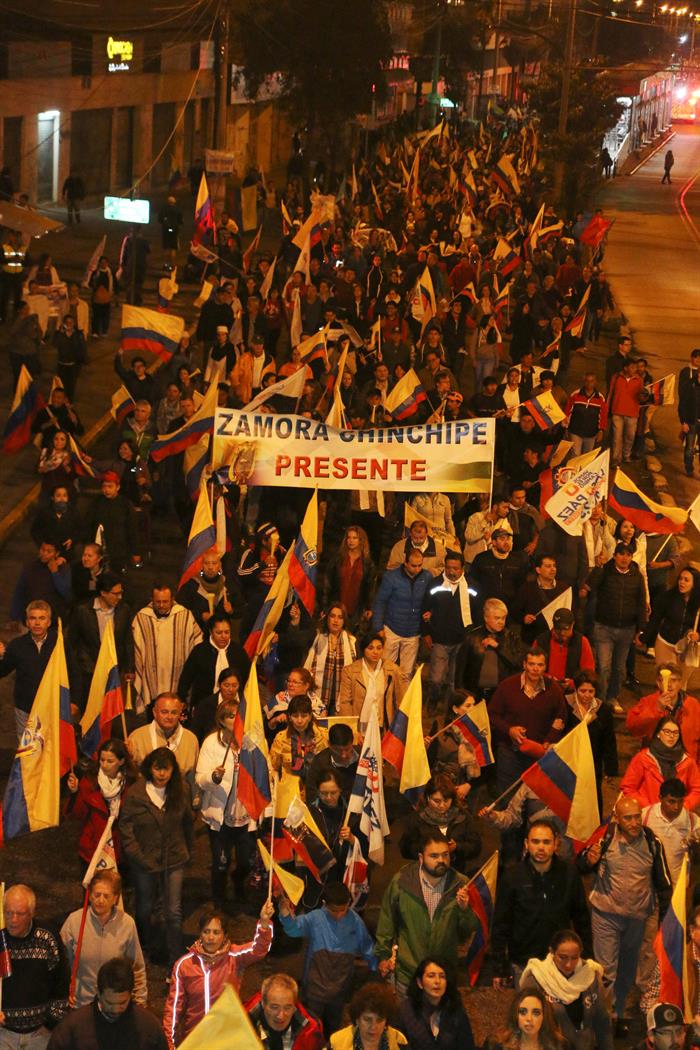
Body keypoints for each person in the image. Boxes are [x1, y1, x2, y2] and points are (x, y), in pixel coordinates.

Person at [578, 796, 672, 1034]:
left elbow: (664, 882)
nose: (634, 822)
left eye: (637, 816)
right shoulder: (604, 837)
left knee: (627, 968)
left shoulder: (652, 841)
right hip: (606, 915)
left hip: (637, 916)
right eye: (628, 818)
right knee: (606, 970)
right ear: (617, 819)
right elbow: (579, 863)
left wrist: (664, 920)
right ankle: (604, 1020)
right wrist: (589, 860)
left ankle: (617, 1012)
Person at [375, 830, 478, 995]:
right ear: (421, 858)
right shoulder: (402, 882)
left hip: (442, 978)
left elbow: (467, 932)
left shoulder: (461, 884)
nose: (441, 861)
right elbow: (387, 921)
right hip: (409, 975)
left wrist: (464, 910)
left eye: (445, 855)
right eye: (434, 856)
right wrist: (383, 956)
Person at [491, 819, 592, 987]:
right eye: (535, 841)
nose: (541, 847)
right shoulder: (512, 877)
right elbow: (501, 925)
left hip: (561, 963)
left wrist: (587, 958)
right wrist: (499, 968)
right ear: (526, 844)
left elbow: (582, 919)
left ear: (555, 844)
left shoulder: (569, 874)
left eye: (546, 842)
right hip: (523, 963)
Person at [119, 747, 194, 968]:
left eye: (166, 769)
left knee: (173, 911)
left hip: (175, 858)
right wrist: (136, 855)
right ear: (150, 768)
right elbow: (126, 828)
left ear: (173, 770)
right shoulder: (135, 794)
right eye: (157, 768)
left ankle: (175, 958)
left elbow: (188, 823)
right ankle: (144, 946)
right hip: (144, 861)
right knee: (144, 907)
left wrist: (187, 851)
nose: (161, 774)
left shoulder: (182, 790)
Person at [163, 903, 274, 1048]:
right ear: (200, 934)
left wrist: (264, 924)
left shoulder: (234, 957)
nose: (210, 937)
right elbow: (173, 1009)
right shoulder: (183, 966)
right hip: (195, 1039)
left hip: (226, 1039)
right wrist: (169, 1044)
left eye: (216, 932)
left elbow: (259, 949)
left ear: (224, 935)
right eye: (206, 931)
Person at [278, 882, 377, 1035]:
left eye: (342, 910)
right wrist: (285, 914)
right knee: (311, 1029)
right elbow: (294, 928)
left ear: (349, 904)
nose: (338, 915)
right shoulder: (315, 918)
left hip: (340, 990)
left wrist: (379, 965)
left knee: (333, 1030)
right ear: (324, 904)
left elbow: (367, 948)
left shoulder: (355, 922)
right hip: (315, 990)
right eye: (333, 911)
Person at [195, 698, 258, 907]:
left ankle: (238, 883)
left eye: (239, 715)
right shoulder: (211, 743)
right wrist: (213, 777)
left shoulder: (253, 742)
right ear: (222, 720)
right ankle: (219, 898)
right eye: (231, 716)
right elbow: (200, 778)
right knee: (221, 861)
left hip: (245, 813)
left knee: (247, 861)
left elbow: (263, 776)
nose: (236, 719)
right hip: (220, 815)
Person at [489, 649, 567, 802]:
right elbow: (492, 715)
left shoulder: (554, 690)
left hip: (539, 753)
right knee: (508, 798)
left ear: (545, 667)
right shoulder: (507, 686)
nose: (535, 669)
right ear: (524, 664)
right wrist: (509, 730)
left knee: (535, 799)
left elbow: (561, 718)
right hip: (509, 752)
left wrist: (549, 739)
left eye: (540, 665)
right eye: (531, 664)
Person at [60, 871, 147, 1009]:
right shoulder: (74, 921)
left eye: (106, 896)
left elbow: (137, 967)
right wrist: (62, 993)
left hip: (113, 1007)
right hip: (81, 1005)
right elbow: (60, 963)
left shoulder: (127, 924)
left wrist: (140, 1003)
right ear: (89, 895)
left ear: (115, 898)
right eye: (96, 895)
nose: (100, 900)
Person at [0, 883, 69, 1048]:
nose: (13, 920)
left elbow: (61, 982)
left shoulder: (48, 937)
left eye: (20, 914)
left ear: (31, 913)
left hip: (40, 1034)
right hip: (3, 1033)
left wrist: (52, 1023)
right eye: (8, 913)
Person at [46, 957, 167, 1050]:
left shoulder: (148, 1027)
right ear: (98, 992)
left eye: (122, 1003)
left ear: (131, 994)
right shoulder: (73, 1028)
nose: (116, 1009)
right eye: (109, 1003)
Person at [520, 929, 613, 1050]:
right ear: (552, 952)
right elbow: (525, 1025)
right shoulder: (537, 980)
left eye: (574, 958)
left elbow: (602, 1022)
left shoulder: (590, 976)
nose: (568, 964)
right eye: (562, 957)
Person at [588, 542, 647, 709]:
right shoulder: (605, 571)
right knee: (604, 666)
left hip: (627, 630)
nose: (624, 558)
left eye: (628, 555)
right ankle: (600, 699)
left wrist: (640, 629)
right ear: (615, 556)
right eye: (621, 554)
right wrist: (598, 567)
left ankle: (612, 698)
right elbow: (590, 586)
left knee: (620, 670)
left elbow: (641, 603)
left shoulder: (637, 576)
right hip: (604, 628)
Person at [65, 739, 138, 873]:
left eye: (110, 761)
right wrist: (75, 793)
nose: (104, 765)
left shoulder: (131, 784)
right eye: (102, 760)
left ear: (121, 761)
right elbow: (77, 815)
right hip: (93, 847)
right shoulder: (89, 781)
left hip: (121, 849)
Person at [67, 573, 134, 707]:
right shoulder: (83, 611)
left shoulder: (123, 610)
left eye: (121, 593)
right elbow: (72, 642)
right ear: (103, 593)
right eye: (115, 594)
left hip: (113, 671)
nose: (119, 597)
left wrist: (129, 668)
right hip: (88, 671)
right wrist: (77, 667)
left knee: (109, 712)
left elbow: (127, 640)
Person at [131, 586, 203, 710]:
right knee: (153, 714)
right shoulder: (142, 617)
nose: (161, 605)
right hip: (153, 677)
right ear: (152, 600)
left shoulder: (184, 615)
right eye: (158, 602)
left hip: (177, 675)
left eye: (165, 601)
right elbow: (136, 647)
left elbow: (197, 643)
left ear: (172, 599)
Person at [399, 773, 481, 874]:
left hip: (456, 873)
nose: (442, 805)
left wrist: (457, 847)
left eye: (446, 800)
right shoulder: (417, 819)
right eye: (436, 801)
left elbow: (476, 847)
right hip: (425, 873)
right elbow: (405, 849)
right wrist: (428, 849)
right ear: (428, 798)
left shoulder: (463, 817)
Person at [371, 549, 433, 678]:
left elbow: (431, 600)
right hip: (392, 628)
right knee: (385, 670)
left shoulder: (427, 577)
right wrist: (378, 627)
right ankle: (382, 696)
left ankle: (402, 697)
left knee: (406, 673)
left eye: (420, 565)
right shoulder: (391, 577)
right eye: (413, 565)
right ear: (405, 563)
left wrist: (431, 612)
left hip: (413, 631)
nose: (417, 569)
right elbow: (380, 601)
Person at [421, 550, 472, 707]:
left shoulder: (471, 586)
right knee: (436, 678)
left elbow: (476, 611)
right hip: (440, 639)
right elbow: (425, 609)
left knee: (453, 681)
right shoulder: (435, 584)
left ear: (462, 569)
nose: (451, 571)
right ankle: (434, 700)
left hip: (462, 639)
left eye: (455, 568)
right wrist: (426, 633)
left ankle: (451, 708)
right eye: (448, 567)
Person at [0, 599, 57, 740]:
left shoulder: (59, 643)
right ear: (27, 622)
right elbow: (2, 670)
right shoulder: (17, 645)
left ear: (49, 622)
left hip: (54, 707)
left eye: (42, 618)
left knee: (50, 751)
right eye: (33, 618)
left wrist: (74, 702)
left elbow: (73, 673)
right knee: (27, 753)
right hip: (25, 708)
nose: (37, 623)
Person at [127, 693, 199, 799]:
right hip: (145, 800)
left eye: (174, 712)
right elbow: (131, 774)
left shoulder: (191, 739)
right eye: (164, 712)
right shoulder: (137, 737)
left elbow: (193, 778)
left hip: (179, 800)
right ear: (155, 712)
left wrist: (195, 804)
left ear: (180, 713)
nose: (169, 717)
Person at [564, 671, 618, 812]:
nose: (587, 695)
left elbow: (609, 741)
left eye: (590, 691)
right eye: (582, 691)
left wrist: (611, 769)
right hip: (568, 762)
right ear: (575, 689)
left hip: (593, 763)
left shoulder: (603, 710)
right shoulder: (565, 705)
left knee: (592, 802)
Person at [620, 715, 700, 809]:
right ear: (658, 733)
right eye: (667, 732)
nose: (671, 736)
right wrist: (649, 807)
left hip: (677, 816)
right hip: (648, 814)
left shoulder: (687, 761)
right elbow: (628, 788)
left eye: (675, 733)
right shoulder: (643, 758)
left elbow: (697, 789)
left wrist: (683, 806)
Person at [627, 662, 700, 763]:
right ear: (658, 683)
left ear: (680, 683)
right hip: (655, 765)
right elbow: (633, 728)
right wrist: (656, 709)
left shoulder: (693, 705)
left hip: (685, 766)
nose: (669, 685)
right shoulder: (648, 702)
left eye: (673, 680)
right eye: (664, 680)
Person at [397, 957, 475, 1050]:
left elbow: (467, 1045)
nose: (437, 981)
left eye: (442, 976)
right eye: (431, 976)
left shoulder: (455, 1010)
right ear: (419, 982)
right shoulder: (405, 1011)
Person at [177, 615, 249, 712]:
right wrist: (181, 699)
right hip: (204, 704)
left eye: (227, 632)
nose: (223, 636)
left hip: (233, 706)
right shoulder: (200, 651)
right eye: (219, 633)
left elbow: (247, 678)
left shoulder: (238, 651)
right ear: (211, 632)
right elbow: (186, 678)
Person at [456, 598, 525, 700]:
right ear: (486, 617)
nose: (501, 622)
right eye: (497, 618)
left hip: (503, 694)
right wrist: (461, 693)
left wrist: (498, 647)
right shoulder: (471, 637)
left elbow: (518, 663)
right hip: (475, 694)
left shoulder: (512, 637)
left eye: (503, 618)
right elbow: (460, 668)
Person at [642, 570, 700, 689]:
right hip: (665, 643)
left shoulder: (698, 602)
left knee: (680, 685)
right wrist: (644, 638)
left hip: (687, 648)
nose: (682, 582)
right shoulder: (668, 597)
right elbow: (655, 619)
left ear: (695, 584)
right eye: (680, 579)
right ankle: (664, 706)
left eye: (686, 580)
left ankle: (677, 707)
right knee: (666, 683)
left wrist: (698, 636)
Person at [337, 633, 405, 732]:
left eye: (379, 648)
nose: (375, 652)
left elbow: (400, 700)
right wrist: (352, 730)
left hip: (384, 725)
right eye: (370, 648)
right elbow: (345, 703)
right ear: (363, 650)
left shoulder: (393, 670)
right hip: (360, 726)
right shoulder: (350, 671)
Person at [642, 778, 700, 886]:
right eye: (671, 801)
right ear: (660, 798)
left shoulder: (692, 821)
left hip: (678, 887)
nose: (676, 807)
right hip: (651, 885)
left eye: (680, 801)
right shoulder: (645, 816)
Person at [245, 973, 325, 1050]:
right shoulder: (240, 1025)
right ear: (263, 1004)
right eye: (274, 1007)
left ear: (294, 1006)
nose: (281, 1016)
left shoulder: (310, 1033)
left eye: (287, 1008)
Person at [304, 604, 357, 717]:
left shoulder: (351, 641)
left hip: (341, 697)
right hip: (318, 695)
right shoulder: (317, 637)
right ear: (327, 618)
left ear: (344, 621)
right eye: (332, 616)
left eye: (340, 617)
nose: (336, 620)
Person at [321, 526, 375, 630]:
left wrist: (369, 607)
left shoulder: (368, 563)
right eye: (349, 537)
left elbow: (370, 588)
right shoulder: (338, 559)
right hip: (336, 606)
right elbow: (327, 584)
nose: (351, 541)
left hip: (355, 609)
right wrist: (324, 606)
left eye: (355, 538)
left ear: (361, 540)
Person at [482, 987, 566, 1050]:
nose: (529, 1018)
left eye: (536, 1013)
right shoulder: (496, 1045)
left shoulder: (560, 1046)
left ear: (544, 1017)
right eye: (523, 1012)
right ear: (515, 1014)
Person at [330, 983, 407, 1050]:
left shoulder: (399, 1041)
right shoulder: (336, 1043)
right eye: (367, 1019)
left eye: (379, 1020)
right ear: (357, 1019)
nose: (373, 1027)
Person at [269, 694, 329, 781]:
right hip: (290, 790)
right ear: (289, 717)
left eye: (304, 716)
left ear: (310, 716)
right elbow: (274, 769)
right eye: (295, 716)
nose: (299, 721)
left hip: (317, 789)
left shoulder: (324, 736)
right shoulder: (281, 739)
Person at [535, 610, 596, 691]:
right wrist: (547, 678)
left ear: (572, 625)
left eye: (565, 629)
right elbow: (532, 667)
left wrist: (573, 683)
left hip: (572, 692)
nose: (562, 633)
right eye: (558, 629)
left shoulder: (582, 642)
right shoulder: (541, 641)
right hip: (544, 689)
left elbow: (589, 673)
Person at [305, 722, 359, 805]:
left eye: (347, 749)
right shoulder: (319, 763)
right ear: (329, 744)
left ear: (352, 743)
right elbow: (311, 796)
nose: (343, 755)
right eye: (338, 750)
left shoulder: (364, 757)